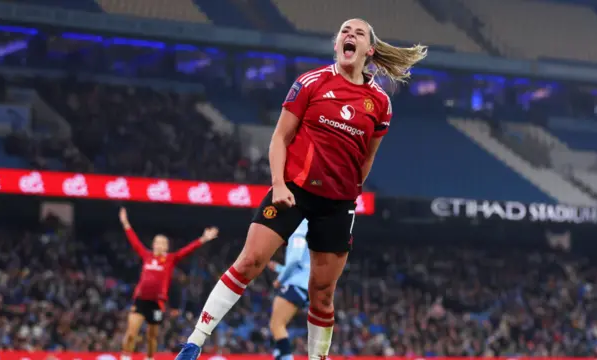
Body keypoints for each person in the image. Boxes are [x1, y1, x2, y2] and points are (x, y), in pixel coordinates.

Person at [175, 18, 426, 360]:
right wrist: (278, 183)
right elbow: (280, 137)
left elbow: (366, 159)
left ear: (369, 50)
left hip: (337, 204)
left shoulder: (380, 103)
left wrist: (350, 195)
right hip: (293, 189)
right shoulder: (311, 83)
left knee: (322, 293)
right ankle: (194, 342)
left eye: (359, 33)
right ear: (337, 44)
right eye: (344, 31)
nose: (349, 35)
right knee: (249, 261)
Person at [118, 207, 219, 360]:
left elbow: (187, 250)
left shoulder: (171, 259)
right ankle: (125, 357)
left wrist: (204, 238)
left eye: (162, 243)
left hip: (157, 303)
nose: (158, 245)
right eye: (156, 242)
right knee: (131, 332)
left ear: (166, 246)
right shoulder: (147, 256)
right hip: (140, 300)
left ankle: (150, 358)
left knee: (152, 336)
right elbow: (134, 241)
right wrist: (125, 222)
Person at [267, 220, 311, 360]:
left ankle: (284, 357)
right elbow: (304, 265)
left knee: (276, 325)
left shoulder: (299, 228)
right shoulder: (315, 227)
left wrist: (280, 279)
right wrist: (280, 269)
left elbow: (294, 261)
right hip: (307, 286)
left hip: (296, 285)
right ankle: (279, 355)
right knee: (280, 326)